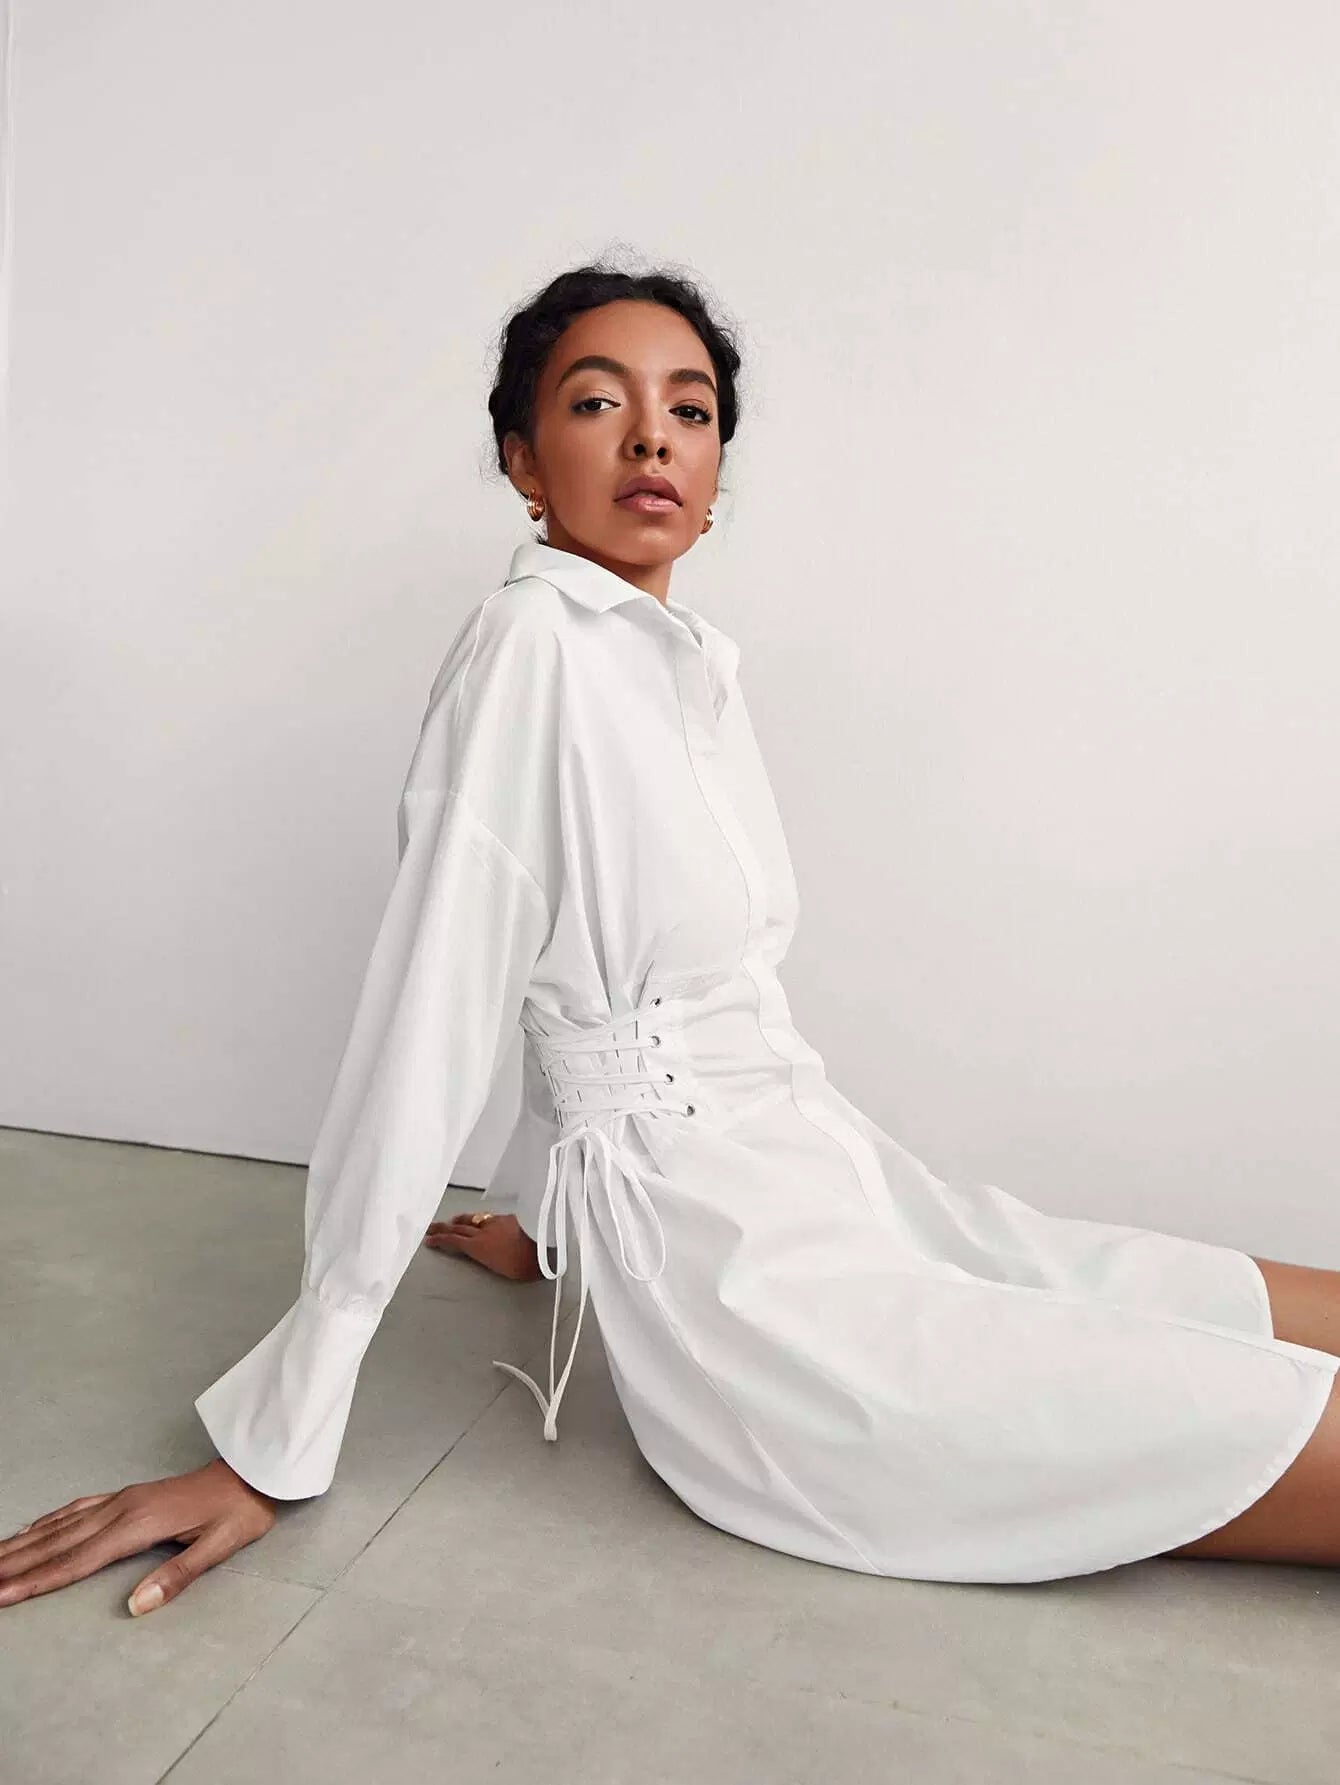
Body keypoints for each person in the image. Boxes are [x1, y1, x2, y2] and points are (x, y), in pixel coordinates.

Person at [5, 260, 1340, 1622]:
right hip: (746, 1284)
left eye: (689, 411)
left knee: (1143, 1286)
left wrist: (546, 1222)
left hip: (834, 1177)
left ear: (715, 467)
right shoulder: (529, 648)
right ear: (523, 462)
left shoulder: (682, 659)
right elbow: (441, 1012)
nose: (653, 437)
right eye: (600, 403)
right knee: (1166, 1398)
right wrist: (278, 1429)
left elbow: (592, 975)